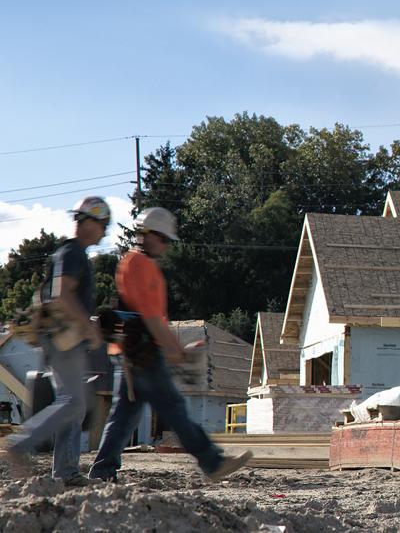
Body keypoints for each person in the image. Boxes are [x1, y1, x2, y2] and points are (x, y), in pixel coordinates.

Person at [88, 207, 251, 482]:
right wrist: (176, 352)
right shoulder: (140, 266)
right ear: (148, 235)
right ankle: (211, 462)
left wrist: (174, 349)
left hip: (134, 353)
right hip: (144, 354)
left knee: (123, 416)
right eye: (162, 239)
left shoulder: (132, 262)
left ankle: (102, 471)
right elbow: (151, 319)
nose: (164, 246)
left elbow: (150, 317)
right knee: (174, 409)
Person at [0, 197, 110, 485]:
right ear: (88, 221)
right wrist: (90, 329)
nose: (104, 231)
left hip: (60, 338)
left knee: (72, 403)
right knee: (74, 403)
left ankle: (66, 471)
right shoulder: (72, 253)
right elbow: (62, 294)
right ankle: (20, 445)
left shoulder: (70, 253)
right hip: (66, 339)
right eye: (103, 224)